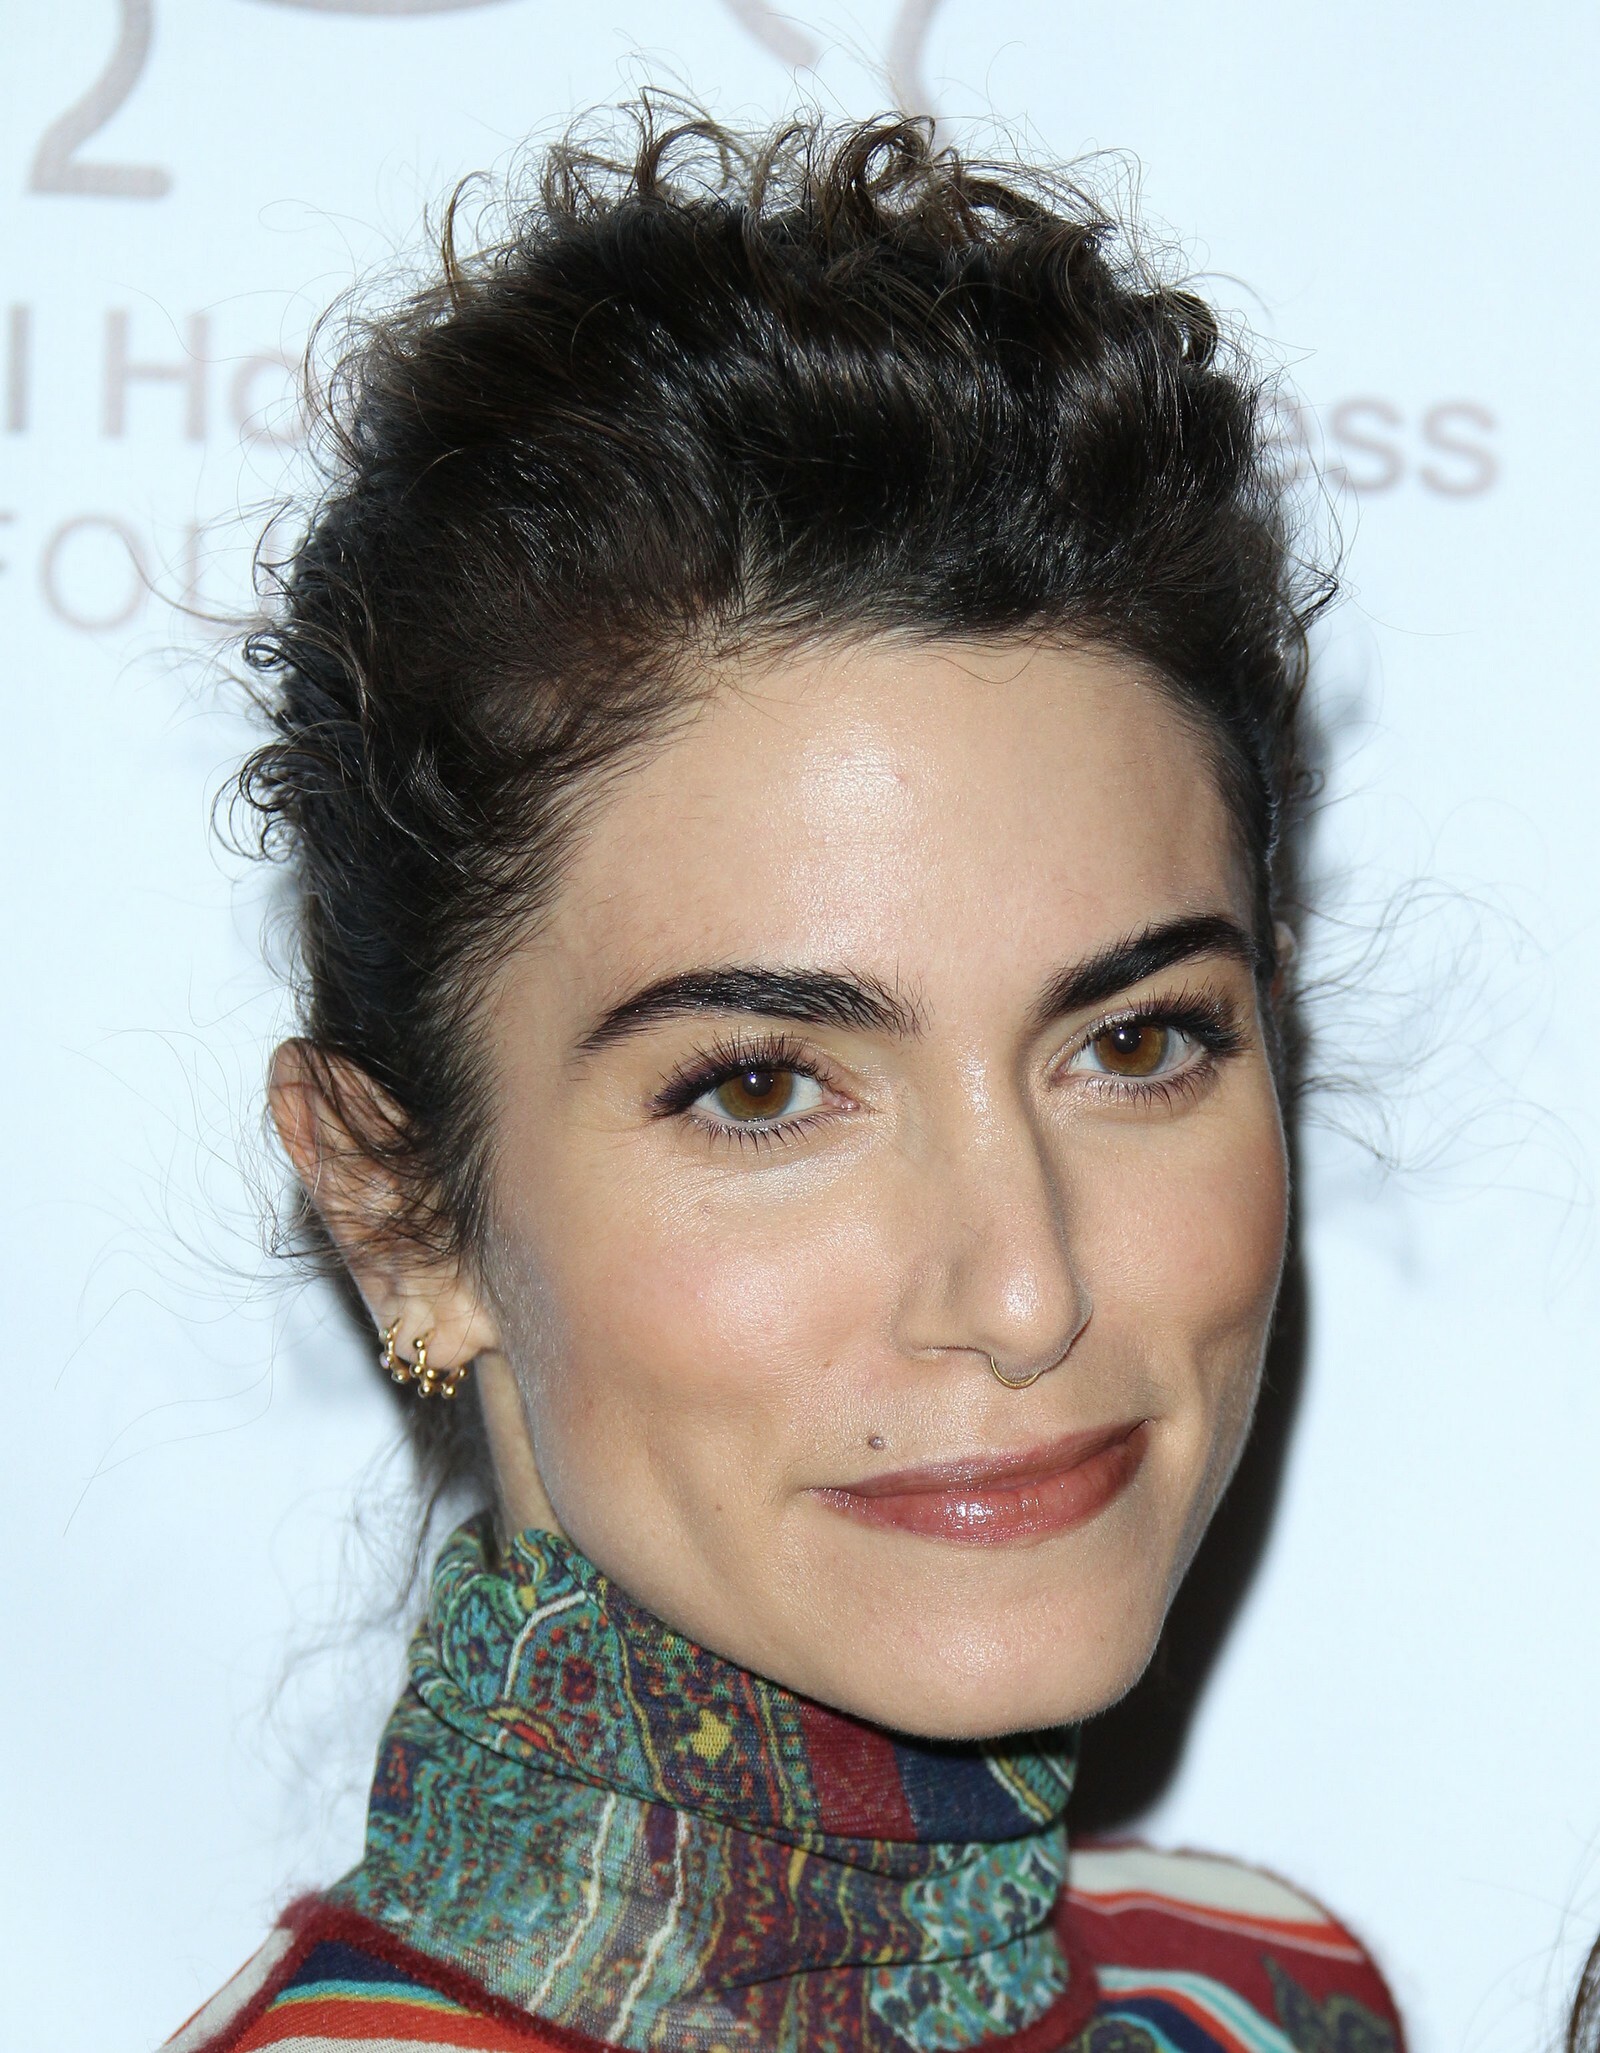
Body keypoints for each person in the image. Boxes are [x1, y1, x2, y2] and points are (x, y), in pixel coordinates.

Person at [169, 108, 1405, 2053]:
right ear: (399, 1210)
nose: (1025, 1289)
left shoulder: (1265, 1998)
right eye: (760, 1088)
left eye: (1133, 1041)